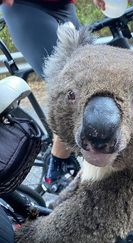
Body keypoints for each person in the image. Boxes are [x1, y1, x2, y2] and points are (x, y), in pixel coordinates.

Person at [1, 0, 104, 193]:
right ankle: (55, 167)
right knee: (71, 83)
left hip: (63, 6)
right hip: (26, 7)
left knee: (95, 74)